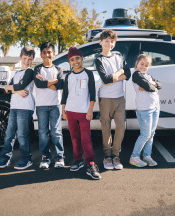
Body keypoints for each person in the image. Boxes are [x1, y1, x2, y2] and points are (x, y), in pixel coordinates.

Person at [61, 46, 101, 180]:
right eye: (72, 60)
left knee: (86, 138)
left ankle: (90, 163)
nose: (75, 61)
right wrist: (64, 110)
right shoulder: (69, 76)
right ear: (69, 62)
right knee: (74, 138)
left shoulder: (88, 74)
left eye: (77, 58)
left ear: (82, 58)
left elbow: (92, 94)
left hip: (84, 112)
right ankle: (78, 160)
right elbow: (65, 94)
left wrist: (90, 111)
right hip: (70, 111)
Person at [95, 29, 131, 170]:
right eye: (106, 41)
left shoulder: (119, 56)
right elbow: (106, 80)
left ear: (114, 43)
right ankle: (107, 156)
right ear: (101, 42)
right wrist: (119, 72)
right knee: (106, 128)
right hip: (105, 98)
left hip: (119, 98)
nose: (108, 44)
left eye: (111, 41)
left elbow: (128, 73)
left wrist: (117, 76)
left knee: (121, 126)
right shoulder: (99, 60)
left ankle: (116, 154)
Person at [0, 46, 36, 170]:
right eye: (24, 58)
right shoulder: (17, 73)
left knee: (22, 135)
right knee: (9, 134)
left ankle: (26, 159)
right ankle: (5, 158)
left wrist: (11, 88)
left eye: (30, 59)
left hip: (25, 107)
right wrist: (16, 91)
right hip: (14, 107)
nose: (27, 61)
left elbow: (21, 85)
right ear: (20, 58)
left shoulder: (30, 72)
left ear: (33, 60)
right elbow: (7, 89)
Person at [33, 42, 65, 169]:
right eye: (44, 52)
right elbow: (38, 84)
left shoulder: (58, 69)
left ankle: (59, 157)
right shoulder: (37, 69)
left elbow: (61, 85)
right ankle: (45, 157)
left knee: (56, 132)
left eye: (49, 52)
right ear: (41, 54)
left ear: (54, 54)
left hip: (55, 105)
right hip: (41, 106)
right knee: (43, 133)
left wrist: (45, 82)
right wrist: (52, 83)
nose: (47, 55)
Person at [129, 54, 161, 167]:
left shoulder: (147, 75)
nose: (143, 66)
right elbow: (148, 87)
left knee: (151, 134)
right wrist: (153, 87)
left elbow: (160, 85)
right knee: (145, 134)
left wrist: (153, 84)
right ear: (137, 63)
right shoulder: (136, 75)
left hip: (155, 107)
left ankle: (147, 156)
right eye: (142, 64)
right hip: (144, 109)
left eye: (146, 65)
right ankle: (134, 157)